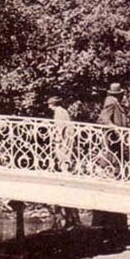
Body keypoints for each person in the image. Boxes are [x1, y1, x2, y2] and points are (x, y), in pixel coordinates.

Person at [94, 83, 129, 232]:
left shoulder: (115, 102)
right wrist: (115, 129)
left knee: (117, 181)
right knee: (112, 179)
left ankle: (116, 225)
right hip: (111, 148)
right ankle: (112, 225)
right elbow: (103, 119)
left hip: (115, 148)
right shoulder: (111, 101)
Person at [47, 96, 80, 229]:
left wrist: (57, 138)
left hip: (64, 139)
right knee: (64, 156)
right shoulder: (63, 111)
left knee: (62, 155)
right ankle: (71, 219)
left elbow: (60, 127)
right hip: (68, 137)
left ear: (52, 104)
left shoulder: (58, 112)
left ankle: (64, 169)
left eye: (49, 104)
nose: (48, 106)